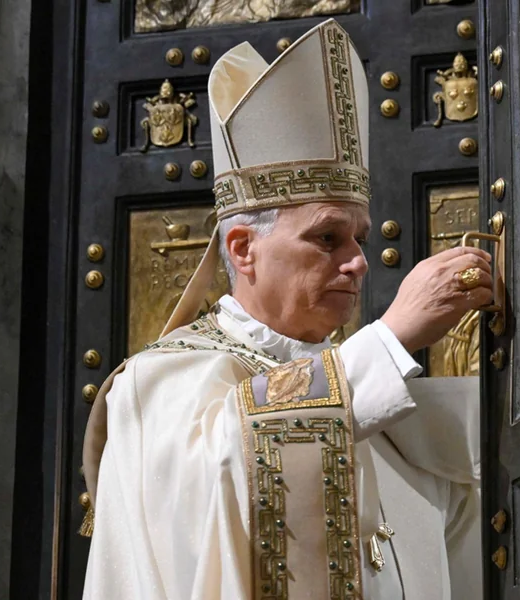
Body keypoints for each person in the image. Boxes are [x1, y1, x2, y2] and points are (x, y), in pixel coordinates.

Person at [80, 20, 489, 599]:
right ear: (244, 249)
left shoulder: (384, 415)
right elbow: (223, 474)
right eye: (327, 239)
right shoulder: (159, 385)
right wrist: (391, 339)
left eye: (360, 238)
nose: (358, 262)